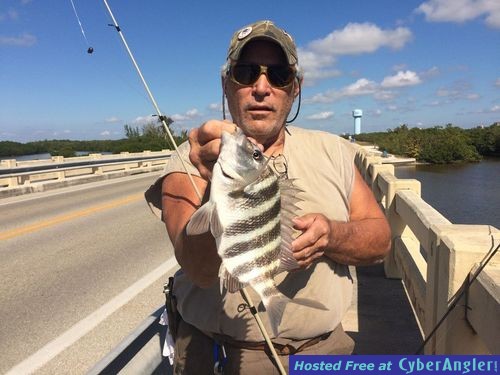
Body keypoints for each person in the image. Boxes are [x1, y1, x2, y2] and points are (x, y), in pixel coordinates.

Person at [146, 20, 391, 374]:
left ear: (295, 88)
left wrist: (332, 235)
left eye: (278, 75)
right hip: (217, 357)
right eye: (246, 72)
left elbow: (380, 240)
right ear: (226, 84)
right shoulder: (191, 157)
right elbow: (198, 270)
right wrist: (213, 187)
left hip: (322, 355)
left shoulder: (335, 151)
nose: (261, 88)